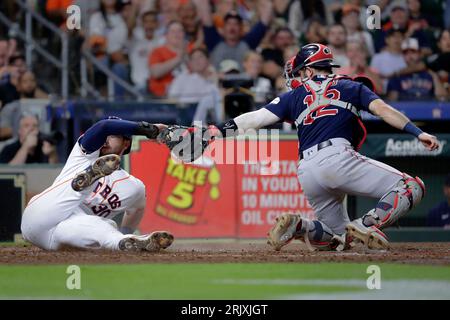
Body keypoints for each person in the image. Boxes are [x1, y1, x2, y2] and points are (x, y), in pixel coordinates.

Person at [207, 43, 439, 251]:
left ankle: (300, 226)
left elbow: (252, 120)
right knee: (411, 186)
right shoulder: (351, 86)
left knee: (337, 237)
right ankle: (365, 224)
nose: (296, 77)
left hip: (306, 170)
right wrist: (418, 132)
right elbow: (384, 111)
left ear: (308, 71)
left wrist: (211, 133)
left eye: (299, 72)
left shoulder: (293, 96)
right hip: (337, 157)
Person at [20, 117, 174, 251]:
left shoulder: (135, 187)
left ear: (126, 143)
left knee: (105, 229)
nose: (105, 139)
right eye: (105, 136)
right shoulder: (84, 153)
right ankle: (84, 181)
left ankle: (127, 242)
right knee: (71, 195)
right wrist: (149, 129)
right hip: (42, 215)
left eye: (113, 135)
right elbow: (104, 126)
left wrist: (125, 231)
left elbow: (136, 210)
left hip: (66, 235)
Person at [195, 0, 273, 71]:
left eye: (236, 24)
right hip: (218, 84)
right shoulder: (214, 41)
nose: (232, 27)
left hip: (244, 84)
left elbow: (267, 10)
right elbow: (203, 6)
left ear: (241, 29)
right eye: (229, 23)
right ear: (223, 28)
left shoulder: (249, 42)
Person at [168, 48, 222, 124]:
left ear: (208, 60)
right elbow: (172, 97)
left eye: (200, 57)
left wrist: (215, 79)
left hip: (212, 116)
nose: (197, 61)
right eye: (193, 59)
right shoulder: (182, 78)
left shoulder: (216, 78)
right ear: (189, 63)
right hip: (186, 114)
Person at [148, 21, 187, 97]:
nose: (177, 34)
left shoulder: (191, 51)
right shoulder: (157, 51)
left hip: (188, 95)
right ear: (166, 35)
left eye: (180, 31)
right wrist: (178, 59)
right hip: (162, 97)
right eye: (173, 31)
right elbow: (155, 73)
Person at [129, 10, 161, 90]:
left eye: (152, 22)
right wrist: (135, 8)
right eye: (146, 22)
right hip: (139, 85)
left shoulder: (162, 42)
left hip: (157, 83)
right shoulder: (135, 40)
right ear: (142, 24)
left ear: (157, 24)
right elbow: (129, 28)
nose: (149, 25)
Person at [370, 28, 407, 93]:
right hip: (384, 94)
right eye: (394, 36)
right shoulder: (378, 57)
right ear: (387, 40)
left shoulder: (407, 57)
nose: (397, 39)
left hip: (406, 93)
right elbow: (373, 77)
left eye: (400, 36)